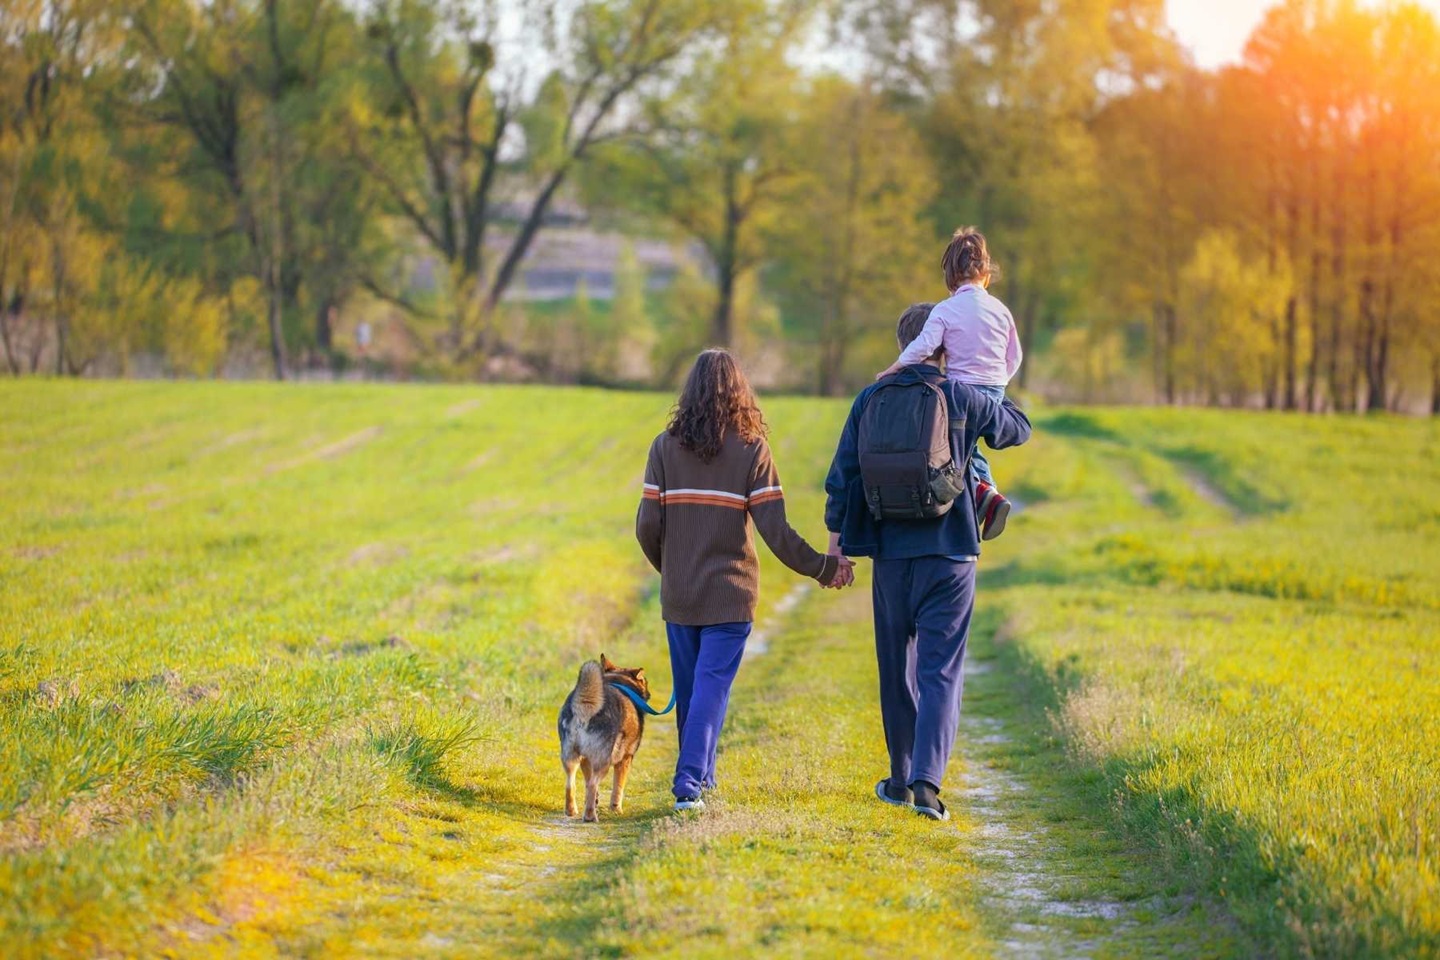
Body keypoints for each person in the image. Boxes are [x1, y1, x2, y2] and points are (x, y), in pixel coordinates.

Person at [826, 304, 1031, 820]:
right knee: (941, 671)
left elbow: (842, 478)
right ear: (945, 344)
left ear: (904, 344)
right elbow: (1018, 429)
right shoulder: (959, 395)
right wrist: (989, 377)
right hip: (952, 553)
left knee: (896, 670)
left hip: (891, 556)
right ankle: (927, 786)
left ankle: (898, 778)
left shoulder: (870, 398)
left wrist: (837, 549)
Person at [636, 349, 853, 812]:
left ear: (689, 393)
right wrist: (823, 566)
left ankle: (701, 780)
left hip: (681, 594)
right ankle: (690, 783)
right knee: (709, 690)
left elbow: (646, 528)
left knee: (695, 691)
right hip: (731, 596)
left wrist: (671, 570)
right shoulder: (753, 449)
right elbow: (776, 531)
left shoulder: (663, 447)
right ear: (739, 392)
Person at [874, 228, 1021, 540]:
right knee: (972, 446)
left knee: (957, 451)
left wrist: (894, 367)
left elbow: (922, 347)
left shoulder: (945, 309)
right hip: (994, 390)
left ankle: (983, 494)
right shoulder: (1002, 311)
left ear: (950, 276)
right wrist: (1000, 381)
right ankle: (988, 493)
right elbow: (1015, 354)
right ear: (987, 273)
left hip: (959, 391)